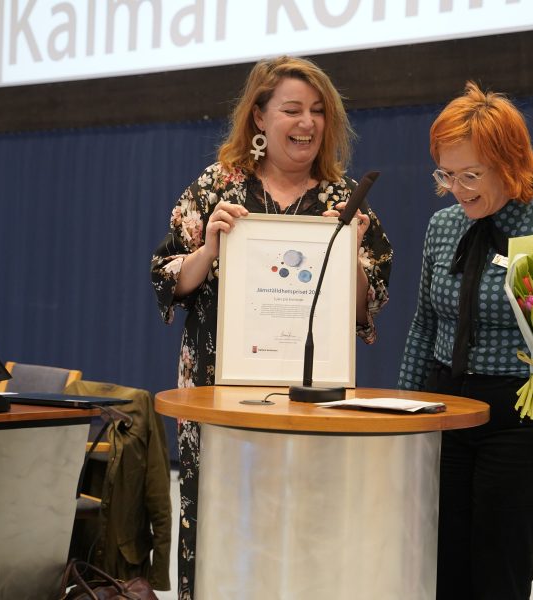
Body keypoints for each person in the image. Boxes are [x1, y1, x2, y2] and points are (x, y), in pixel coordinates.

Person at [151, 56, 392, 599]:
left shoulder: (344, 199)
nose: (306, 122)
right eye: (291, 109)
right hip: (216, 394)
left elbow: (366, 305)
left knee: (304, 526)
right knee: (217, 520)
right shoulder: (218, 187)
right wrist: (209, 248)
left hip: (311, 402)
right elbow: (167, 274)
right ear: (259, 118)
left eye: (317, 111)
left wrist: (348, 253)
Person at [397, 82, 533, 600]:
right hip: (443, 408)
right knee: (439, 565)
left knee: (498, 569)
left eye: (471, 175)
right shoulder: (442, 226)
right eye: (446, 174)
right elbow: (424, 325)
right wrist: (399, 416)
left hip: (518, 415)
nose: (458, 189)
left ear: (511, 163)